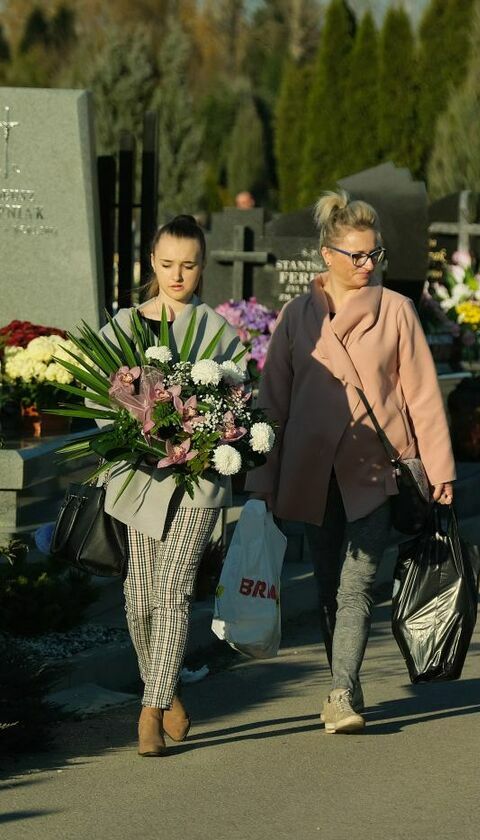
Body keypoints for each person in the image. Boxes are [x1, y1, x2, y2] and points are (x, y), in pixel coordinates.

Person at [247, 190, 455, 734]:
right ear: (327, 254)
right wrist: (261, 479)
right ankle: (347, 677)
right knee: (324, 587)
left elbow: (423, 396)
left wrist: (441, 470)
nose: (367, 266)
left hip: (374, 470)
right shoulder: (297, 316)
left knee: (356, 585)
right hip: (313, 471)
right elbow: (274, 400)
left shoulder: (397, 311)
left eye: (375, 255)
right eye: (357, 255)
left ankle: (340, 692)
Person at [100, 215, 242, 756]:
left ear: (203, 266)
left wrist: (209, 433)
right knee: (138, 597)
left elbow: (236, 402)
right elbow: (100, 399)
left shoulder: (218, 332)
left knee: (173, 589)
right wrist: (130, 428)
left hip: (196, 479)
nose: (176, 275)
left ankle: (149, 712)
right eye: (166, 264)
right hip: (138, 478)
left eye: (188, 264)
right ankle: (169, 690)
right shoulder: (124, 327)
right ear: (151, 263)